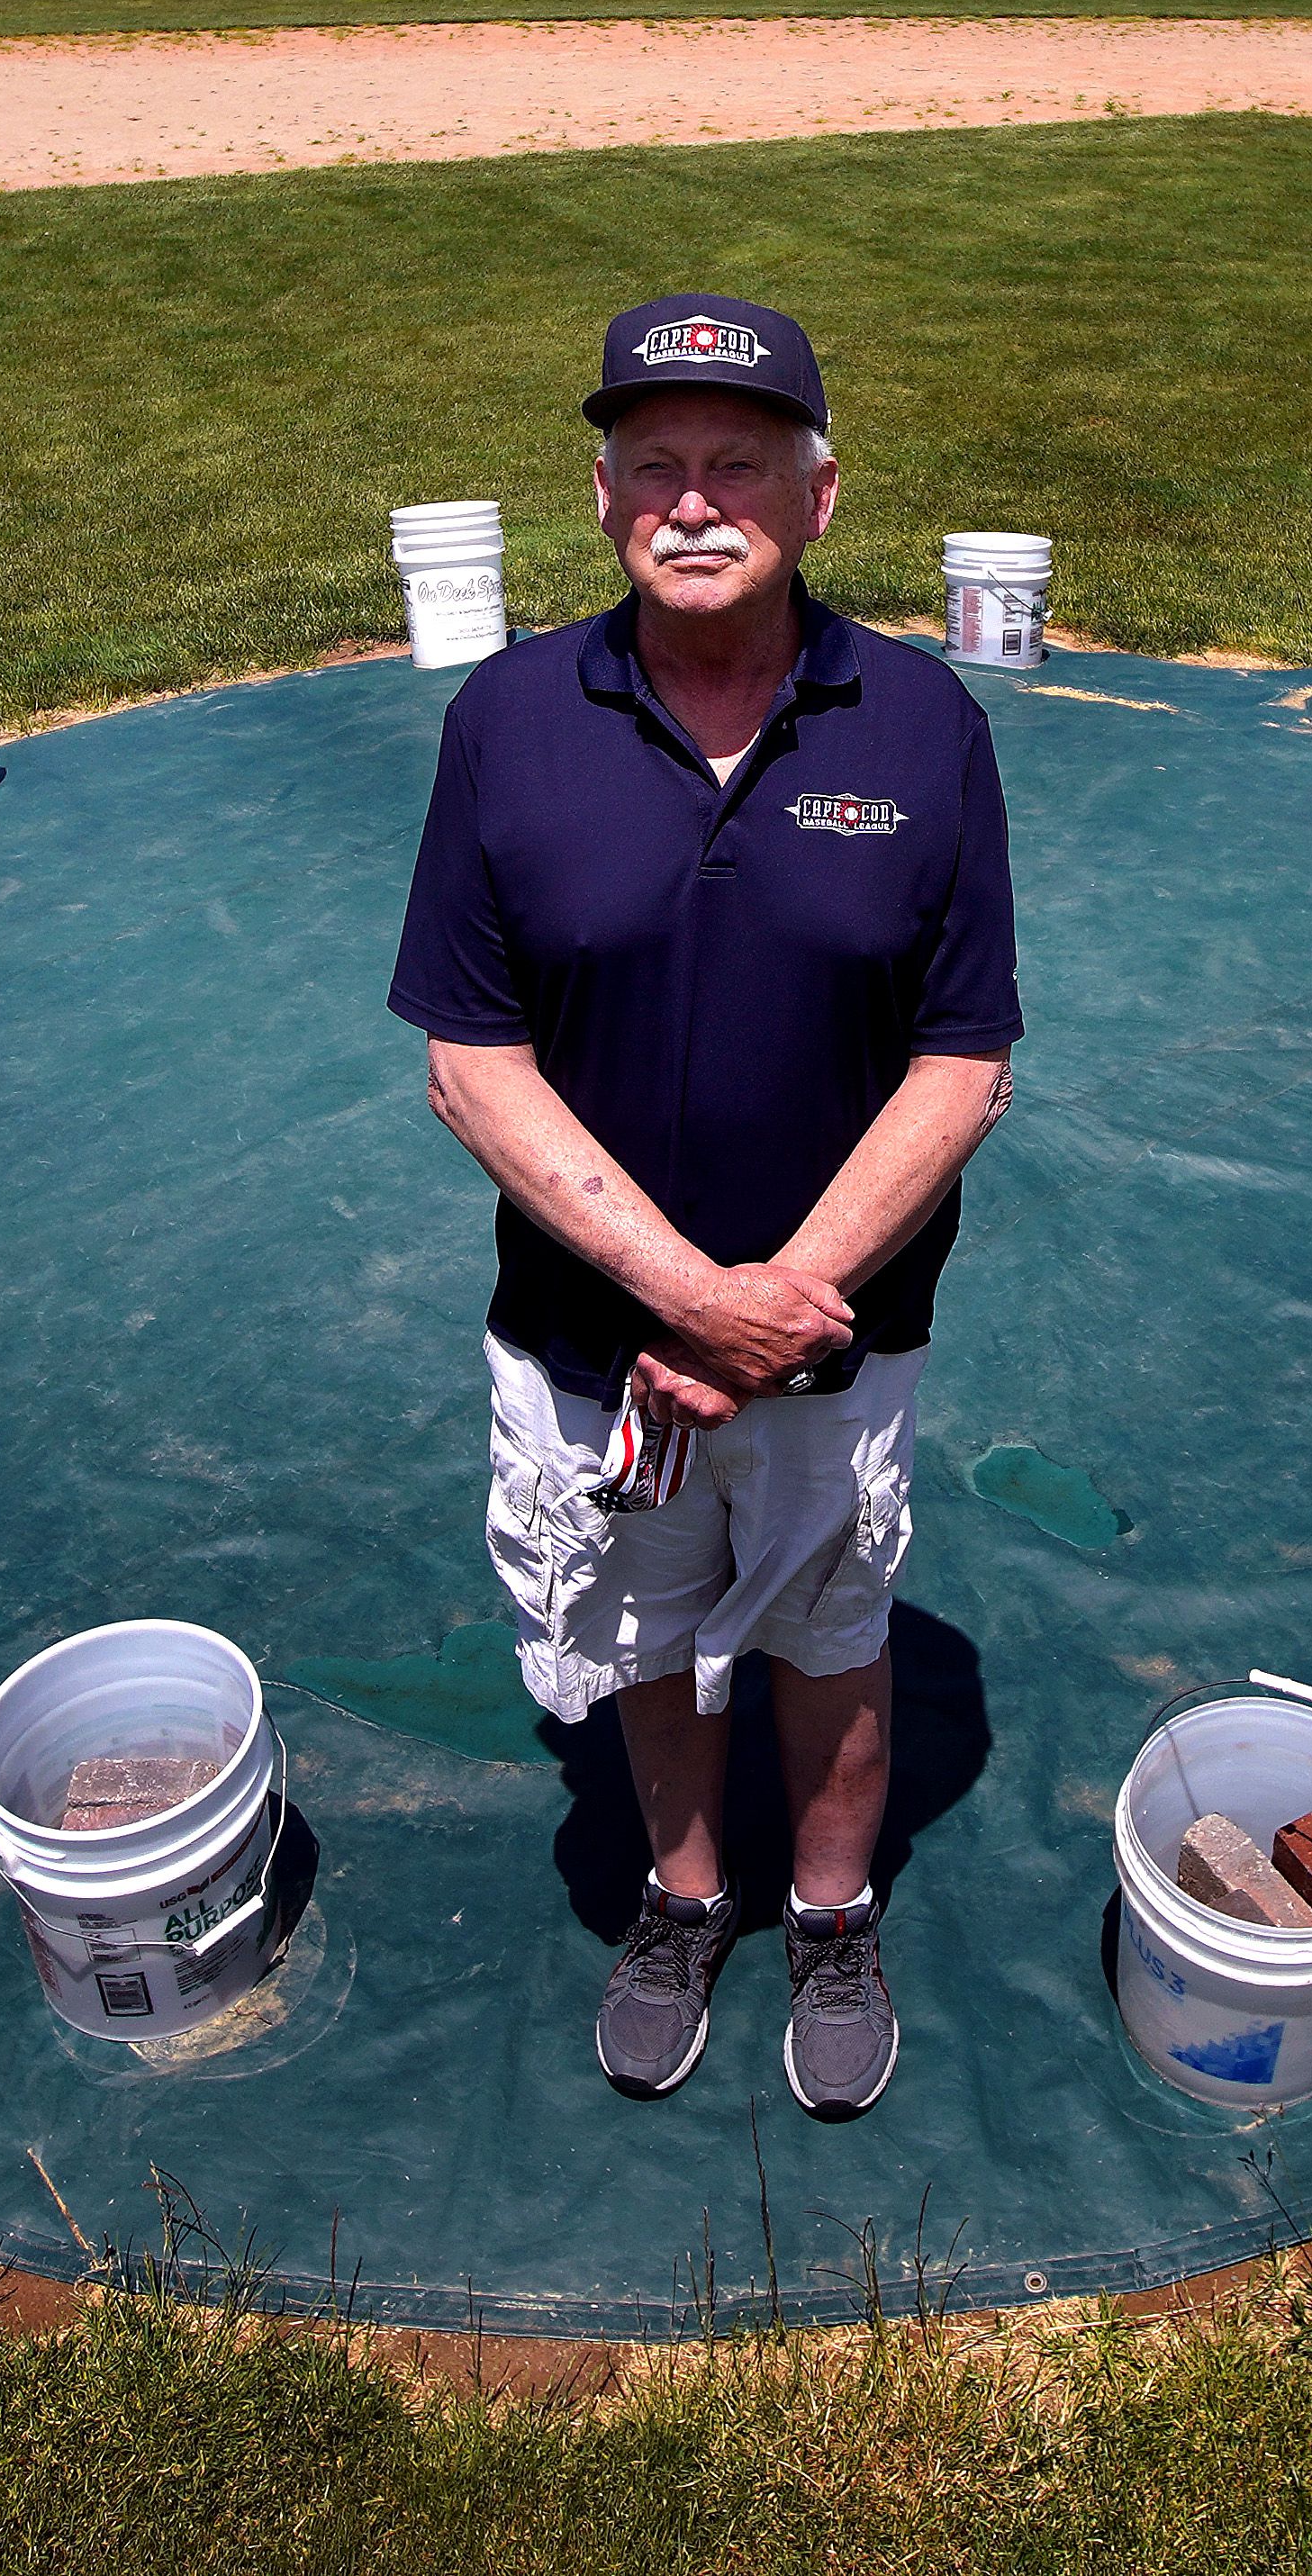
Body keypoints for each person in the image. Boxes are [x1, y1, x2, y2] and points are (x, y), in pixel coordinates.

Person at [385, 293, 1021, 2120]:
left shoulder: (921, 721)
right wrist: (679, 1295)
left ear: (817, 496)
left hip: (837, 1337)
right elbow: (472, 1060)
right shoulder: (508, 721)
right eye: (652, 464)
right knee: (646, 1633)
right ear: (599, 502)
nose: (691, 498)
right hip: (596, 1337)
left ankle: (830, 1909)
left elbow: (962, 1061)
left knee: (829, 1631)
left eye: (736, 461)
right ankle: (685, 1892)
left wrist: (779, 1302)